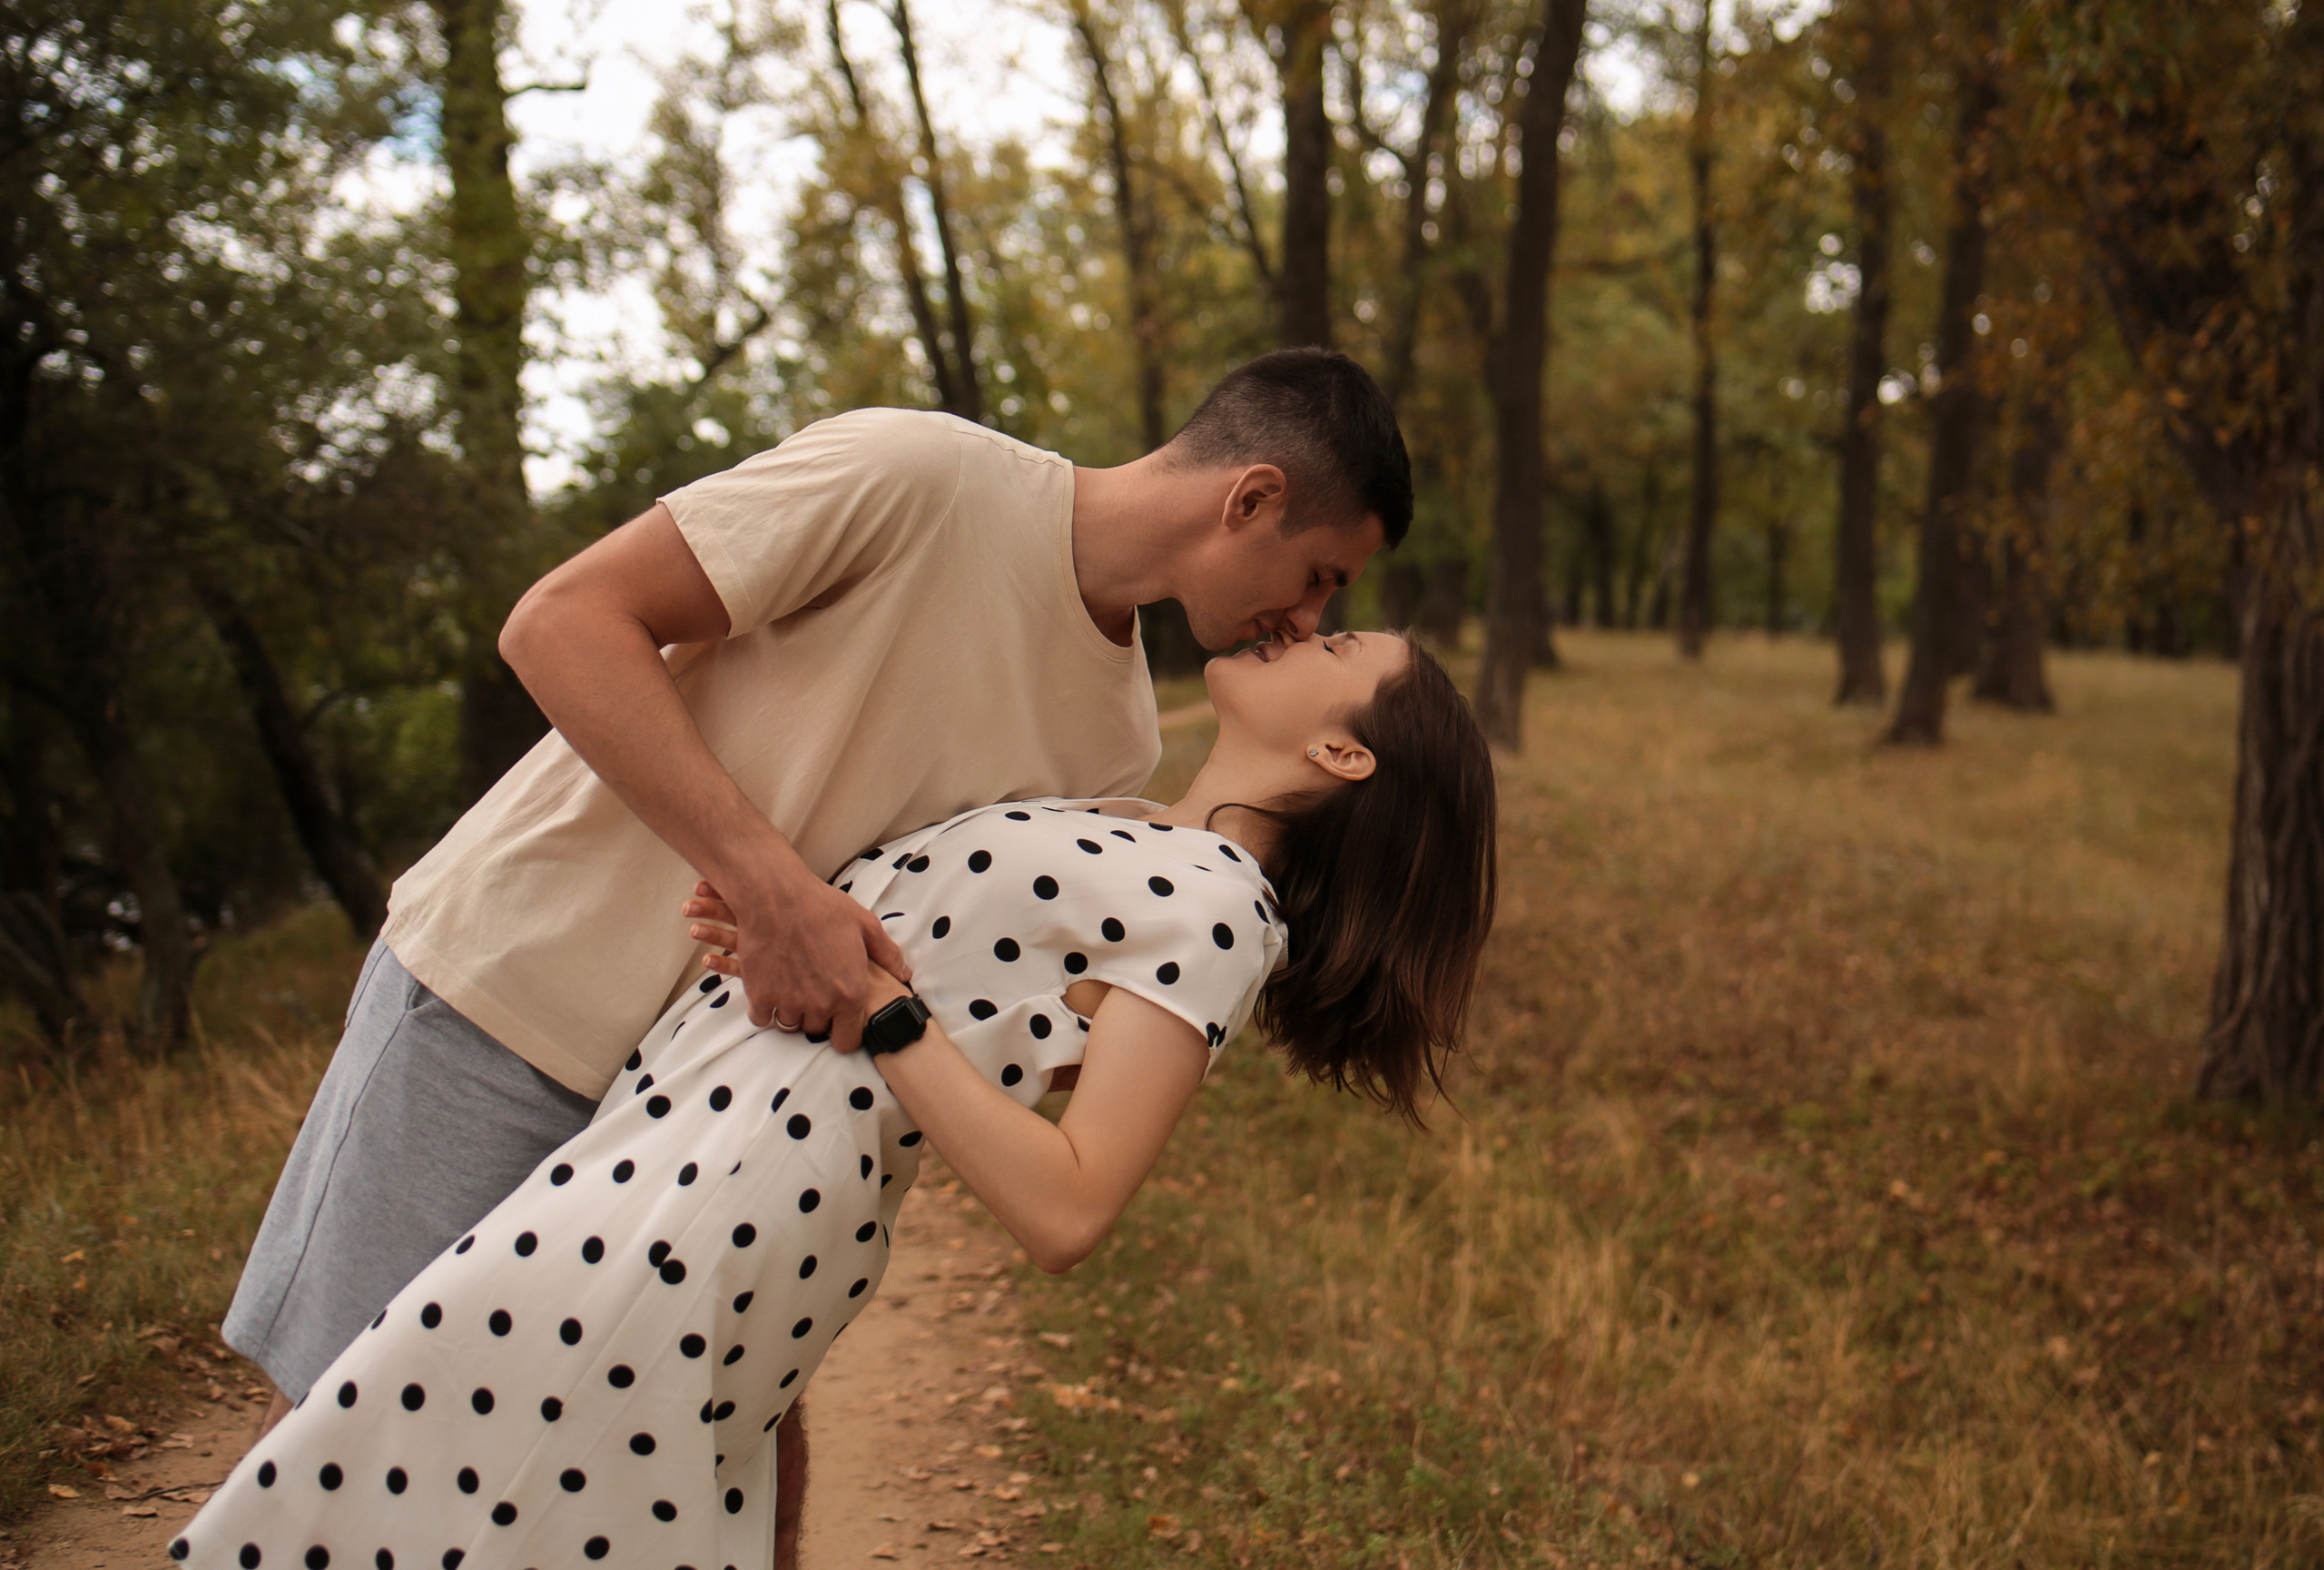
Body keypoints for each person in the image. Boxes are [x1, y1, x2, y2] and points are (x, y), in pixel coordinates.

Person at [219, 349, 1411, 1565]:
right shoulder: (921, 473)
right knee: (338, 1448)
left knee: (696, 1518)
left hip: (695, 1134)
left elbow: (953, 977)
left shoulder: (1114, 737)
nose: (1308, 618)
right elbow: (562, 623)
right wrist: (769, 884)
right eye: (1321, 577)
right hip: (511, 999)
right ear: (1251, 497)